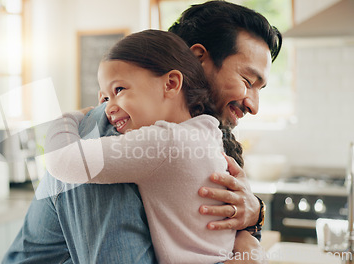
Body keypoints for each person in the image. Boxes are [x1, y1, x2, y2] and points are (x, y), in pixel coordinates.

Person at [3, 1, 282, 263]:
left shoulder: (203, 134)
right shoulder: (114, 129)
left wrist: (253, 220)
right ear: (198, 59)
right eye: (247, 81)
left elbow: (211, 232)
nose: (253, 105)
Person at [45, 29, 243, 264]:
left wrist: (68, 118)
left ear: (170, 83)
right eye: (105, 99)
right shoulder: (205, 132)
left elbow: (63, 161)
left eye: (119, 90)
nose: (107, 109)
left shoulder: (164, 143)